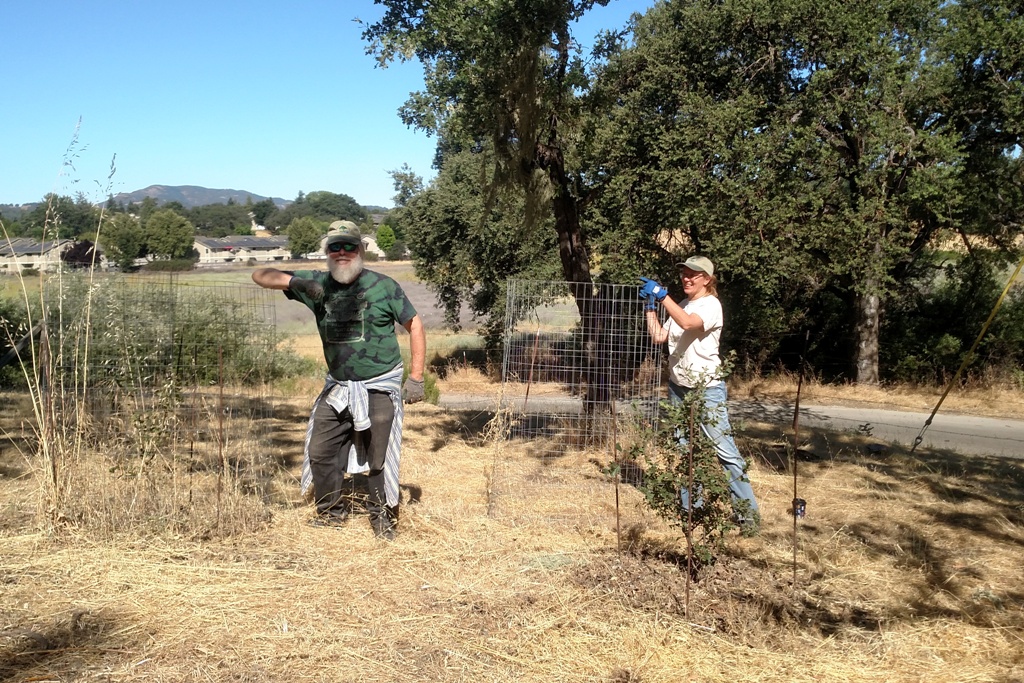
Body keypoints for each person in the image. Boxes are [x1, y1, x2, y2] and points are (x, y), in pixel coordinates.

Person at [252, 220, 426, 540]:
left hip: (378, 385)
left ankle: (381, 516)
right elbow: (260, 275)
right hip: (338, 387)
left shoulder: (384, 286)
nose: (342, 252)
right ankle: (331, 511)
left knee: (378, 456)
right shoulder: (318, 285)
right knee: (321, 450)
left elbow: (414, 324)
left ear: (361, 250)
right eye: (335, 247)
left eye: (349, 246)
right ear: (327, 252)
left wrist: (416, 378)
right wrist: (300, 285)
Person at [640, 255, 760, 528]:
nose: (687, 278)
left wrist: (661, 296)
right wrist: (650, 307)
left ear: (707, 279)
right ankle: (690, 512)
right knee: (685, 452)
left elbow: (688, 324)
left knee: (725, 452)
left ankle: (748, 518)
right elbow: (659, 336)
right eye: (684, 273)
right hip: (678, 387)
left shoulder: (711, 305)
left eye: (694, 274)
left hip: (707, 389)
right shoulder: (682, 304)